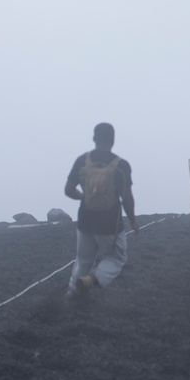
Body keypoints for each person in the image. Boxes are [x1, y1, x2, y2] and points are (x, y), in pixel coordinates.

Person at [64, 122, 139, 298]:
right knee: (115, 258)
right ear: (112, 140)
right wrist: (133, 221)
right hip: (110, 223)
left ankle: (72, 292)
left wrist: (83, 197)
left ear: (94, 139)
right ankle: (91, 280)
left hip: (85, 220)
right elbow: (127, 198)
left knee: (83, 259)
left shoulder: (82, 160)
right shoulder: (121, 165)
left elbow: (68, 190)